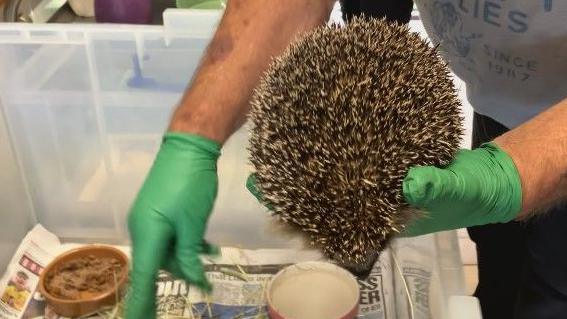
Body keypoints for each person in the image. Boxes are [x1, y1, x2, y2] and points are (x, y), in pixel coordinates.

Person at [125, 1, 567, 318]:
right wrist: (194, 133)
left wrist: (518, 172)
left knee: (554, 281)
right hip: (495, 92)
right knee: (497, 247)